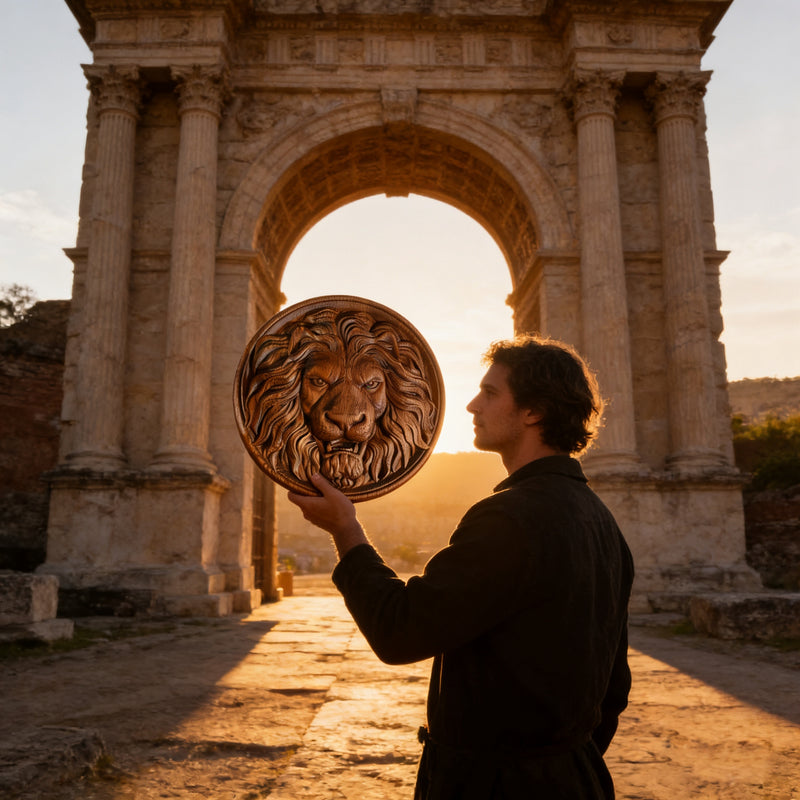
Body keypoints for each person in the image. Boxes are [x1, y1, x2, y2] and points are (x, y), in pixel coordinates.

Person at [289, 334, 634, 799]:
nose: (472, 405)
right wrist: (562, 761)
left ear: (533, 412)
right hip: (576, 778)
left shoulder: (510, 517)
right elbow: (613, 690)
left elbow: (399, 630)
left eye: (490, 393)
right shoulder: (602, 522)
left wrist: (345, 529)